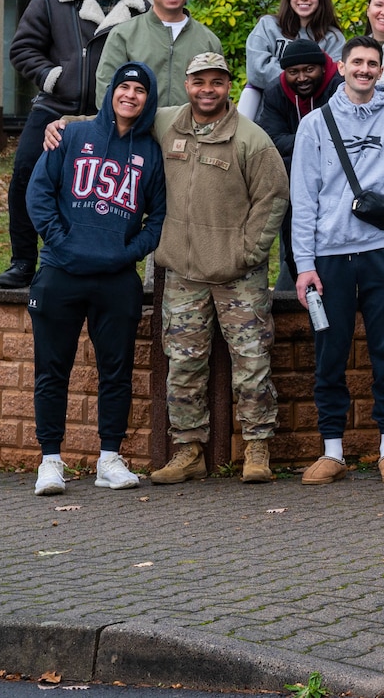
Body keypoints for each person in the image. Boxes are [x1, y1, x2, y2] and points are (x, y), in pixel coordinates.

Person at [144, 51, 288, 486]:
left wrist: (247, 252)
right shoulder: (166, 122)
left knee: (252, 362)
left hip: (237, 275)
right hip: (184, 273)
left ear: (229, 86)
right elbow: (114, 116)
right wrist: (61, 126)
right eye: (199, 81)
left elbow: (273, 198)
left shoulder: (251, 138)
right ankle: (188, 451)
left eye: (217, 82)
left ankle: (257, 447)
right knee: (183, 366)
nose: (208, 90)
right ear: (186, 85)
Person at [24, 62, 167, 496]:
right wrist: (61, 243)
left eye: (139, 90)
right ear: (111, 93)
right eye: (124, 87)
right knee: (52, 371)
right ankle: (50, 461)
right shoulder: (70, 135)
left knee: (116, 371)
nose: (130, 95)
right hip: (60, 273)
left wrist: (127, 253)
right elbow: (39, 193)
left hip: (115, 280)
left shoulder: (150, 152)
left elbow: (157, 218)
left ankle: (110, 458)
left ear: (148, 99)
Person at [289, 36, 384, 486]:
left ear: (381, 72)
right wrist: (304, 263)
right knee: (330, 354)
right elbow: (303, 199)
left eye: (372, 63)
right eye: (357, 62)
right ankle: (332, 450)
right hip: (329, 259)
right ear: (341, 67)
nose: (364, 69)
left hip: (383, 255)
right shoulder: (314, 125)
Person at [2, 0, 146, 289]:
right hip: (55, 108)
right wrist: (54, 77)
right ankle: (22, 260)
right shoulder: (51, 1)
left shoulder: (140, 8)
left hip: (113, 116)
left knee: (109, 189)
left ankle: (110, 260)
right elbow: (22, 50)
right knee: (24, 173)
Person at [256, 40, 342, 286]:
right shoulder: (276, 92)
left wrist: (301, 144)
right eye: (294, 72)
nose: (302, 78)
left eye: (309, 70)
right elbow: (271, 138)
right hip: (294, 178)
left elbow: (344, 135)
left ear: (322, 68)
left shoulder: (339, 87)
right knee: (293, 242)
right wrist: (313, 141)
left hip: (336, 177)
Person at [95, 0, 223, 108]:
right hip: (138, 129)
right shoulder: (123, 34)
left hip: (190, 129)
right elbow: (106, 87)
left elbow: (218, 92)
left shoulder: (208, 40)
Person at [243, 0, 346, 96]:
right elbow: (256, 71)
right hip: (270, 110)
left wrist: (286, 72)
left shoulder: (333, 38)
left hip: (315, 111)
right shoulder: (267, 26)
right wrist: (307, 76)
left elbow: (332, 81)